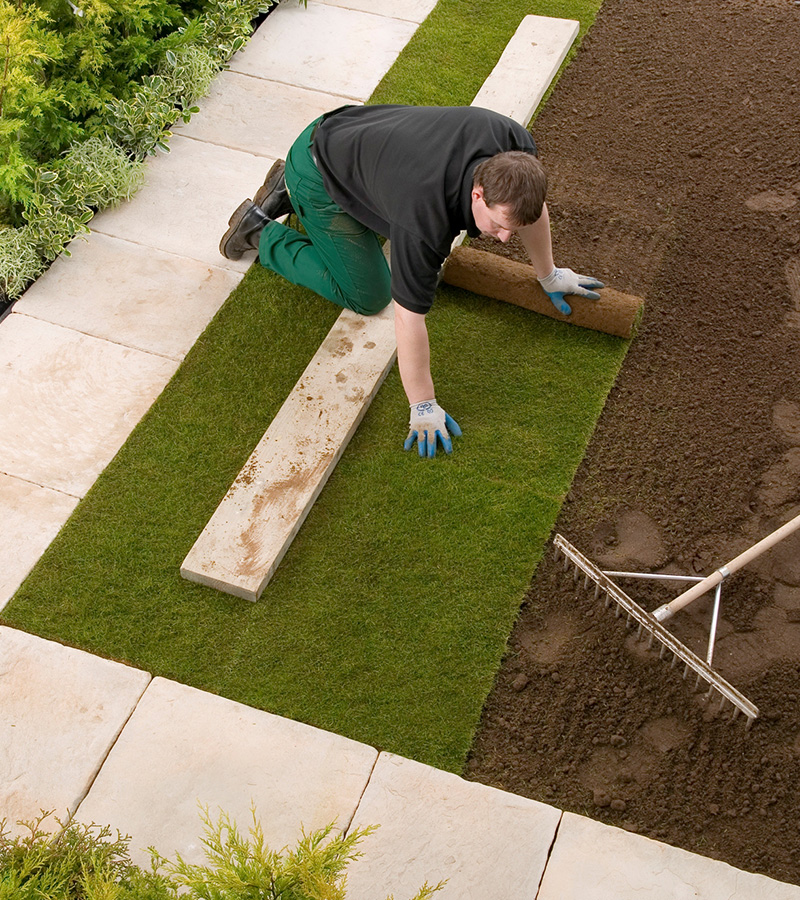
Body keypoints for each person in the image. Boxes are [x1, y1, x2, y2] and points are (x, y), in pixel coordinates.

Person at [219, 104, 603, 458]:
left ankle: (290, 191)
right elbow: (408, 317)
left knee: (384, 227)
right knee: (368, 294)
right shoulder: (425, 219)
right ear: (477, 193)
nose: (505, 238)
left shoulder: (514, 149)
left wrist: (548, 274)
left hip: (359, 140)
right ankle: (260, 229)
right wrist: (422, 402)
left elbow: (530, 213)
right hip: (319, 166)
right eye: (500, 226)